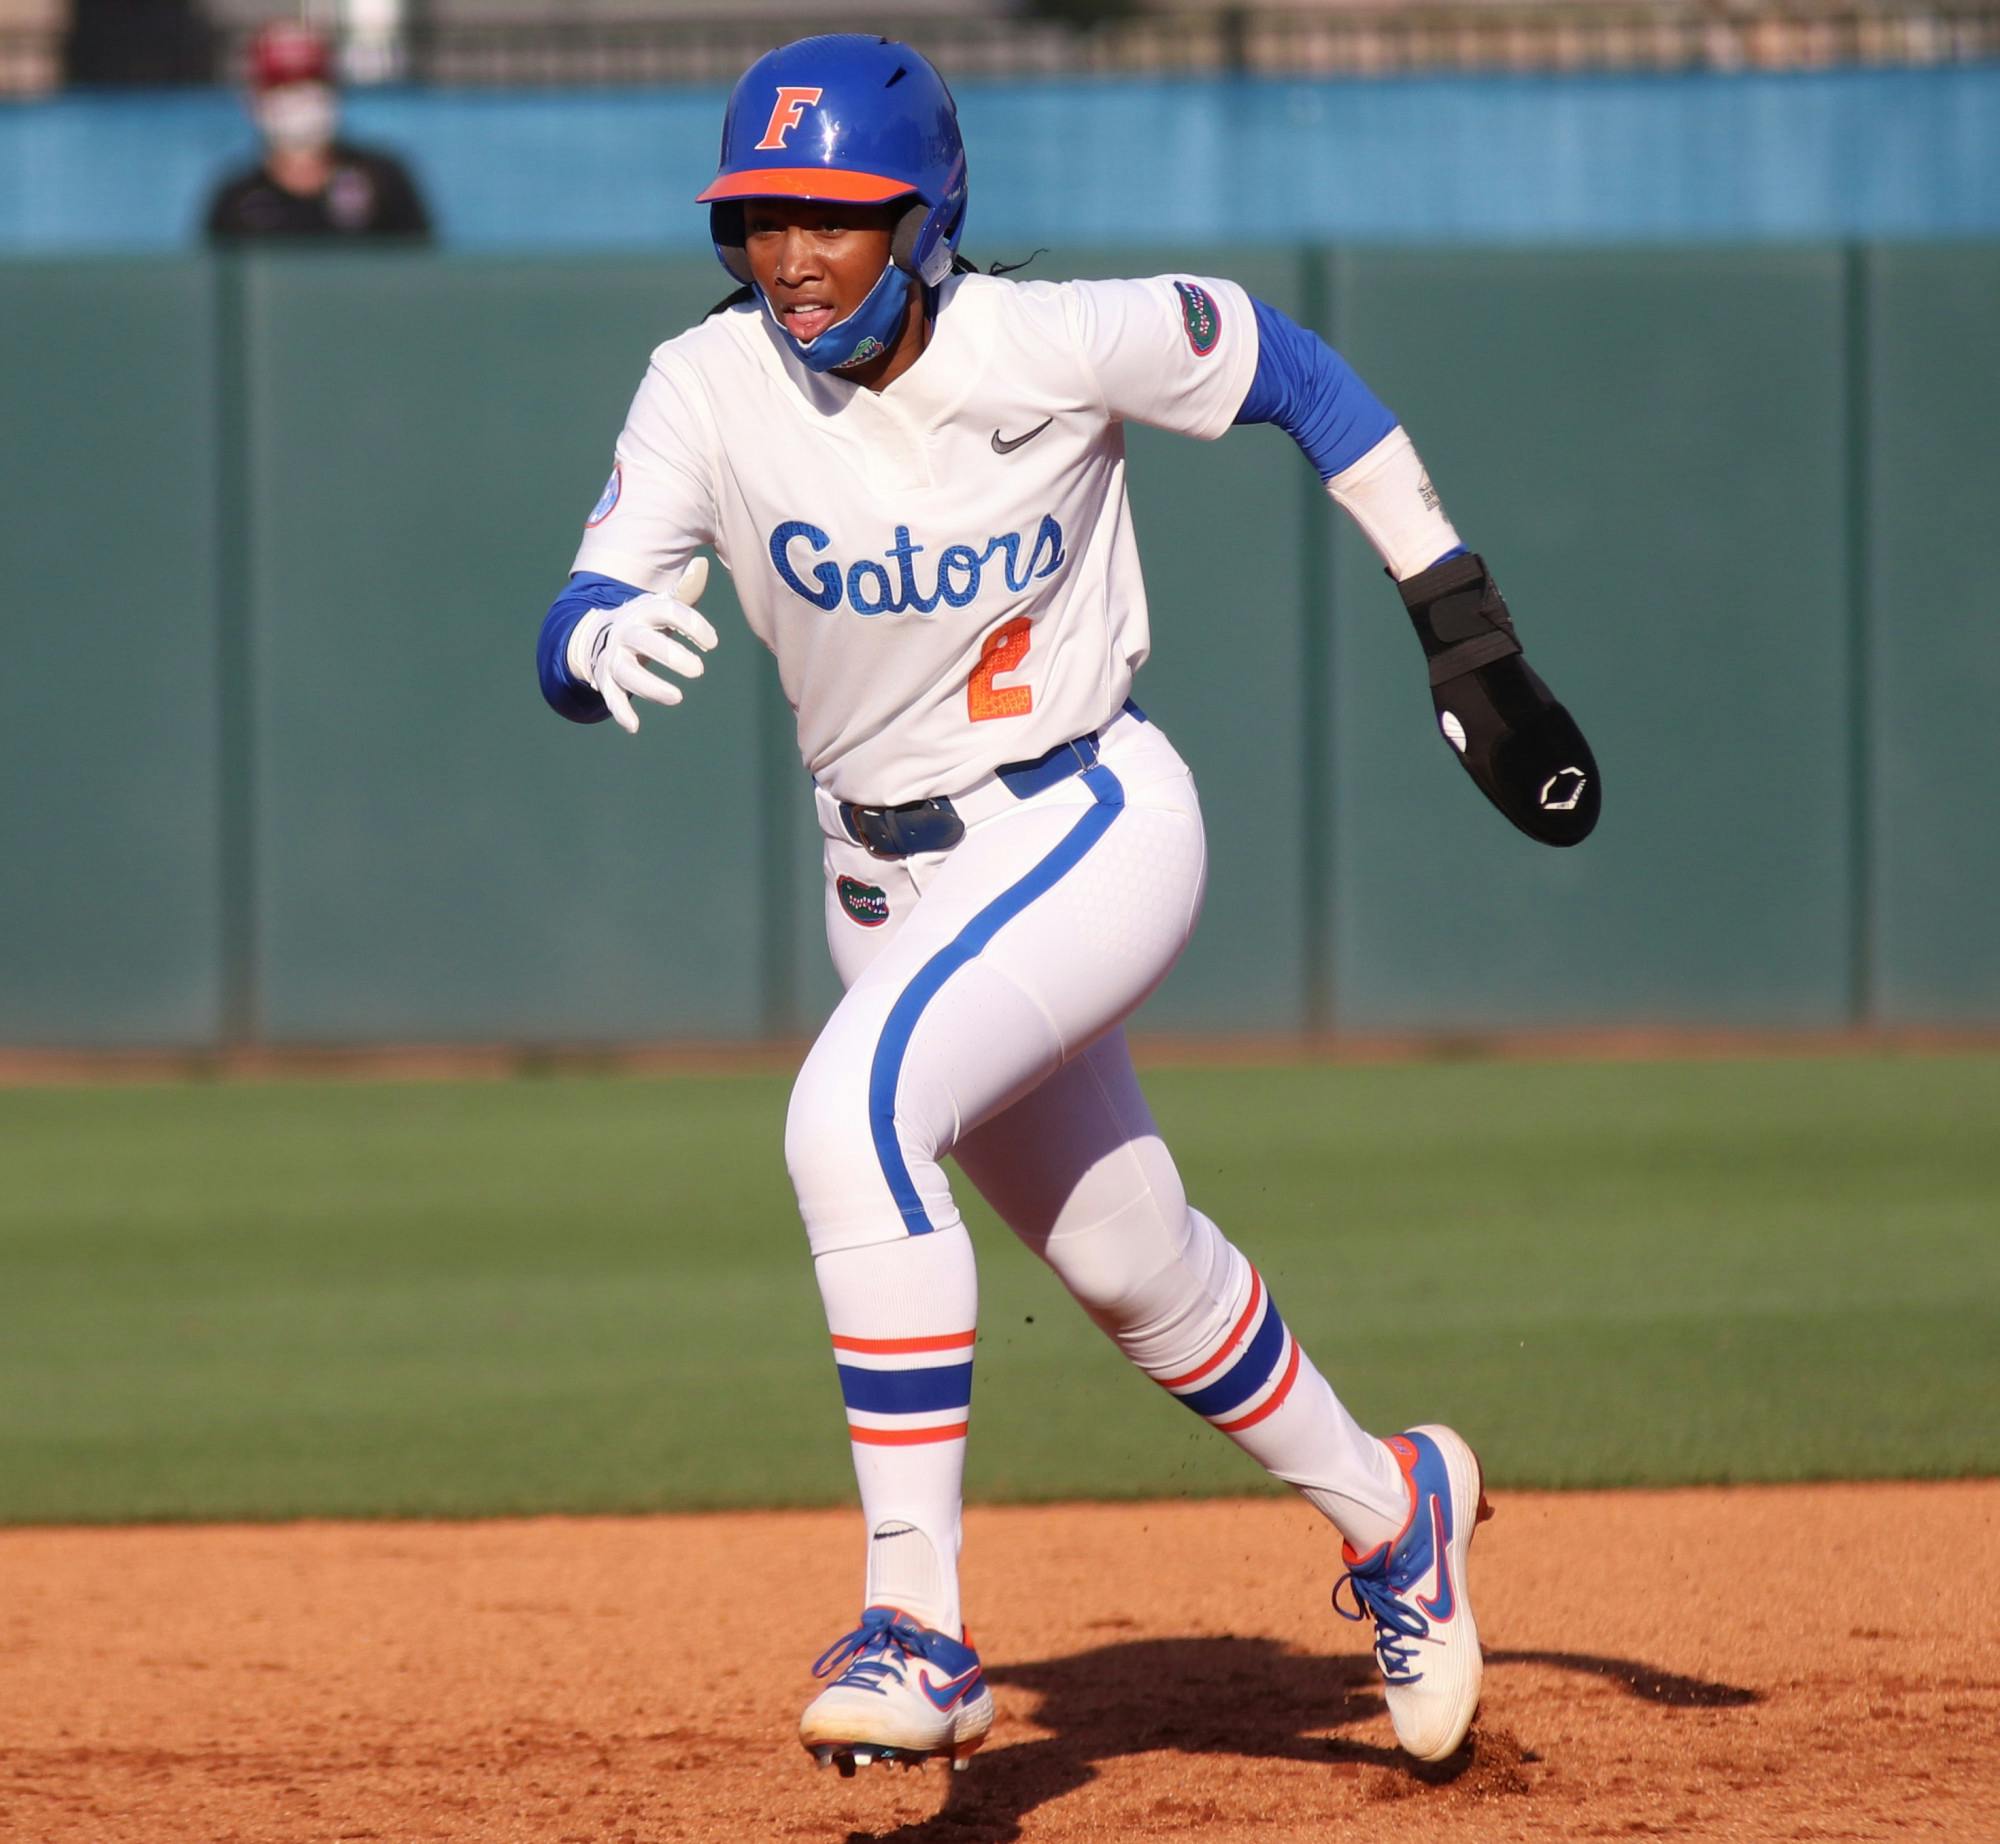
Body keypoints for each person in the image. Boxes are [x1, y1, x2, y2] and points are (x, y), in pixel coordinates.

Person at [536, 34, 1598, 1779]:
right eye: (759, 217)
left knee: (847, 1116)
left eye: (834, 213)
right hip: (883, 879)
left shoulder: (1053, 338)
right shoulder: (703, 382)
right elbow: (583, 604)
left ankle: (919, 1620)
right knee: (1124, 1256)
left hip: (1089, 812)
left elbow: (1299, 374)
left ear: (925, 216)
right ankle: (1393, 1504)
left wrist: (1458, 615)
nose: (793, 252)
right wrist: (587, 643)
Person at [205, 21, 431, 244]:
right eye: (283, 86)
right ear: (254, 100)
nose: (299, 98)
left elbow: (421, 271)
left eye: (311, 82)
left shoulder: (383, 181)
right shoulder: (237, 199)